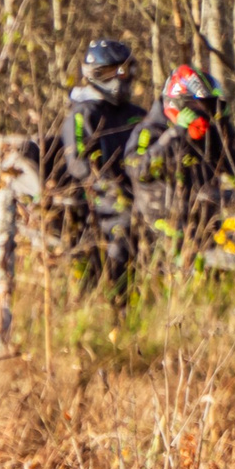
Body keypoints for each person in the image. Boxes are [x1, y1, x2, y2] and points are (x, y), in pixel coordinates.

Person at [60, 39, 146, 289]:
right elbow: (79, 163)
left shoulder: (137, 114)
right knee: (125, 223)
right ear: (94, 75)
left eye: (125, 71)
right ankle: (119, 295)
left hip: (140, 190)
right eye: (112, 72)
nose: (121, 79)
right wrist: (113, 188)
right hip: (100, 197)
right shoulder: (84, 113)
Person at [126, 65, 235, 231]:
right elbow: (137, 170)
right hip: (161, 226)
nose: (202, 112)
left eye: (207, 106)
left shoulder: (209, 131)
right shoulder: (149, 130)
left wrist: (223, 126)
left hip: (205, 224)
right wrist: (176, 134)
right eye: (197, 106)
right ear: (178, 103)